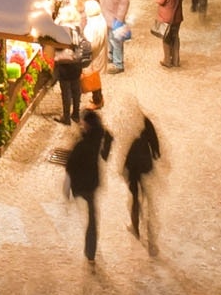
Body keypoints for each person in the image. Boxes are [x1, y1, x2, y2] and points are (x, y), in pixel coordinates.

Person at [62, 107, 112, 262]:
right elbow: (107, 147)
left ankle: (90, 248)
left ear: (88, 125)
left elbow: (70, 165)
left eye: (83, 123)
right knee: (92, 216)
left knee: (88, 216)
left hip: (81, 183)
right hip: (92, 181)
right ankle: (91, 251)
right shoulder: (97, 137)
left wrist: (67, 188)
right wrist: (107, 147)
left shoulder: (82, 144)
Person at [123, 113, 163, 250]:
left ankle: (136, 228)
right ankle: (150, 233)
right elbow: (153, 138)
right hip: (146, 165)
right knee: (147, 199)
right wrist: (156, 152)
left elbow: (127, 151)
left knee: (134, 199)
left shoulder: (130, 127)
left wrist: (124, 168)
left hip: (134, 169)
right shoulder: (144, 120)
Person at [49, 17, 85, 124]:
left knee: (66, 92)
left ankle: (66, 117)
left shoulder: (61, 32)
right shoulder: (77, 30)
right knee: (76, 90)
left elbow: (57, 48)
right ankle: (76, 115)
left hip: (64, 65)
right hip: (76, 64)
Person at [99, 0, 132, 73]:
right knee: (110, 38)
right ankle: (111, 56)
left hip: (115, 17)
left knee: (116, 40)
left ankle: (119, 64)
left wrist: (120, 18)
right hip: (107, 14)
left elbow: (124, 2)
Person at [154, 0, 185, 68]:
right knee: (175, 36)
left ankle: (167, 60)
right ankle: (176, 60)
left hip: (166, 17)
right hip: (177, 16)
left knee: (166, 38)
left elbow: (159, 0)